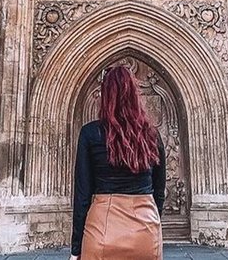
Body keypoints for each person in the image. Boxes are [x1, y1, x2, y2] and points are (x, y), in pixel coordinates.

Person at [71, 65, 166, 260]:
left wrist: (75, 249)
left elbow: (82, 195)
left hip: (102, 230)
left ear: (105, 96)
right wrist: (151, 222)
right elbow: (159, 191)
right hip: (146, 230)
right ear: (135, 95)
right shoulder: (152, 135)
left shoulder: (90, 133)